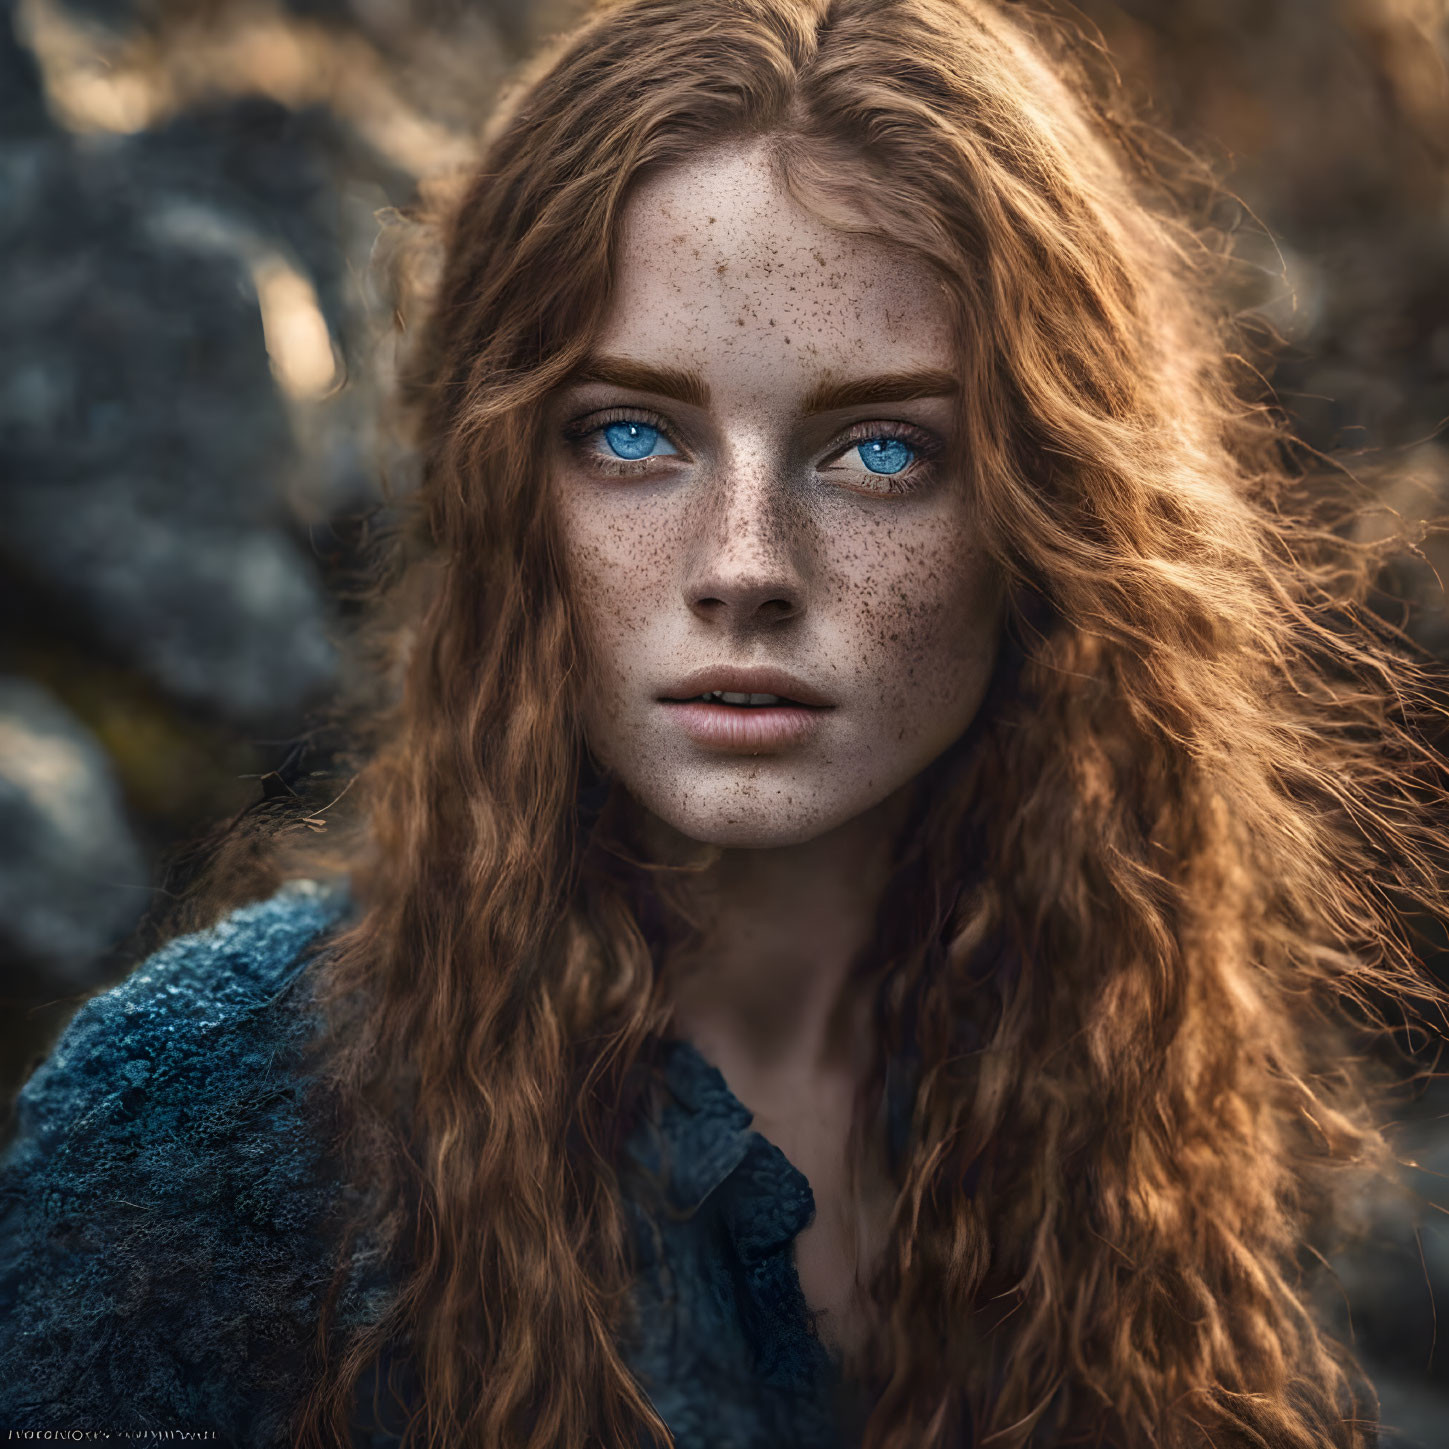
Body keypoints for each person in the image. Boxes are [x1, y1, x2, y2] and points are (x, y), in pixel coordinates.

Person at [3, 0, 1448, 1445]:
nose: (745, 564)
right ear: (512, 491)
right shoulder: (202, 1117)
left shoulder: (1105, 1089)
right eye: (633, 433)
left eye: (880, 448)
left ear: (1047, 519)